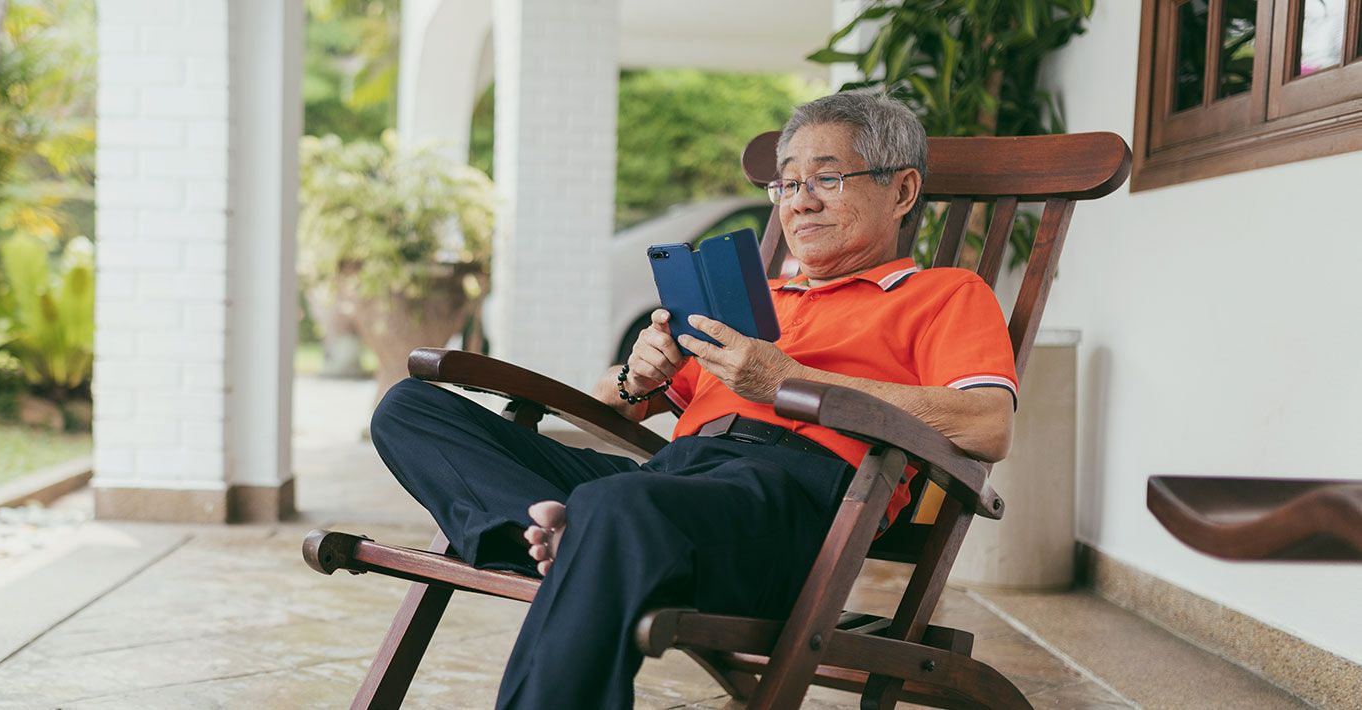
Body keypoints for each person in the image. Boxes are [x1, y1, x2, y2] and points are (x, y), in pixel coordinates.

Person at [367, 90, 1019, 709]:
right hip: (669, 485)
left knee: (614, 505)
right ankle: (549, 531)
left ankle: (582, 533)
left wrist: (789, 382)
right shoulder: (751, 302)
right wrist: (635, 376)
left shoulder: (942, 294)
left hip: (791, 505)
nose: (800, 203)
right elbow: (605, 408)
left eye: (827, 179)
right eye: (787, 184)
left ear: (900, 190)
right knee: (411, 407)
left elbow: (988, 426)